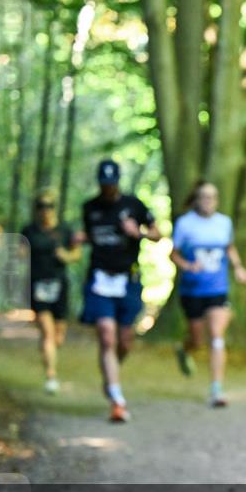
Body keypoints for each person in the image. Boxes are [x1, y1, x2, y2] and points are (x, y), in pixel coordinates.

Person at [79, 159, 161, 422]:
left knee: (124, 341)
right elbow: (91, 236)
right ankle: (117, 398)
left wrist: (138, 233)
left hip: (128, 280)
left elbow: (158, 234)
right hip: (100, 280)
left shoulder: (134, 205)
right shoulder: (89, 208)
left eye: (112, 185)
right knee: (106, 335)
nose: (108, 190)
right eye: (104, 186)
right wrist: (80, 239)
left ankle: (111, 373)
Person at [170, 181, 246, 407]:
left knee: (216, 335)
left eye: (212, 197)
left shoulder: (224, 223)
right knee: (197, 339)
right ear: (196, 199)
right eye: (203, 196)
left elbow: (229, 248)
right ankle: (185, 350)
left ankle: (216, 389)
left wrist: (239, 268)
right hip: (192, 289)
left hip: (217, 288)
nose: (208, 201)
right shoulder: (185, 224)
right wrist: (186, 265)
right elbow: (173, 254)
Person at [21, 189, 81, 394]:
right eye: (41, 206)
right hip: (37, 285)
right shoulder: (29, 231)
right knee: (47, 332)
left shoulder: (65, 230)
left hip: (60, 286)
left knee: (57, 336)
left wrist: (66, 255)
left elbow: (77, 253)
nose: (45, 210)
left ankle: (49, 349)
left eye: (49, 206)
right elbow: (18, 253)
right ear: (36, 209)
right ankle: (51, 375)